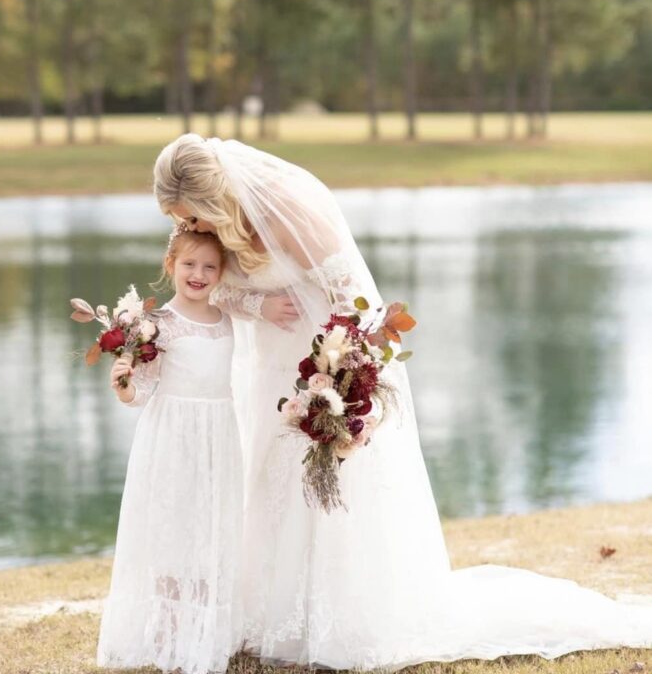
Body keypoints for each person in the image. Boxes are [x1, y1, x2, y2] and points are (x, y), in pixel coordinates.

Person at [152, 133, 652, 670]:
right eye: (184, 220)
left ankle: (340, 614)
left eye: (195, 218)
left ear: (215, 199)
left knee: (327, 485)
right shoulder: (212, 223)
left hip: (325, 358)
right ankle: (273, 613)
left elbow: (350, 301)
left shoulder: (287, 211)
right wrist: (257, 301)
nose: (191, 229)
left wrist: (340, 379)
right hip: (269, 367)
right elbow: (208, 290)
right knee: (270, 480)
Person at [96, 224, 243, 674]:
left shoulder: (229, 322)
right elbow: (141, 391)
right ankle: (167, 638)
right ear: (170, 266)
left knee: (211, 532)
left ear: (221, 273)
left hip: (219, 438)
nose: (198, 274)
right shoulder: (158, 326)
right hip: (173, 441)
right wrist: (123, 386)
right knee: (171, 532)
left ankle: (204, 636)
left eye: (209, 266)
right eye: (189, 264)